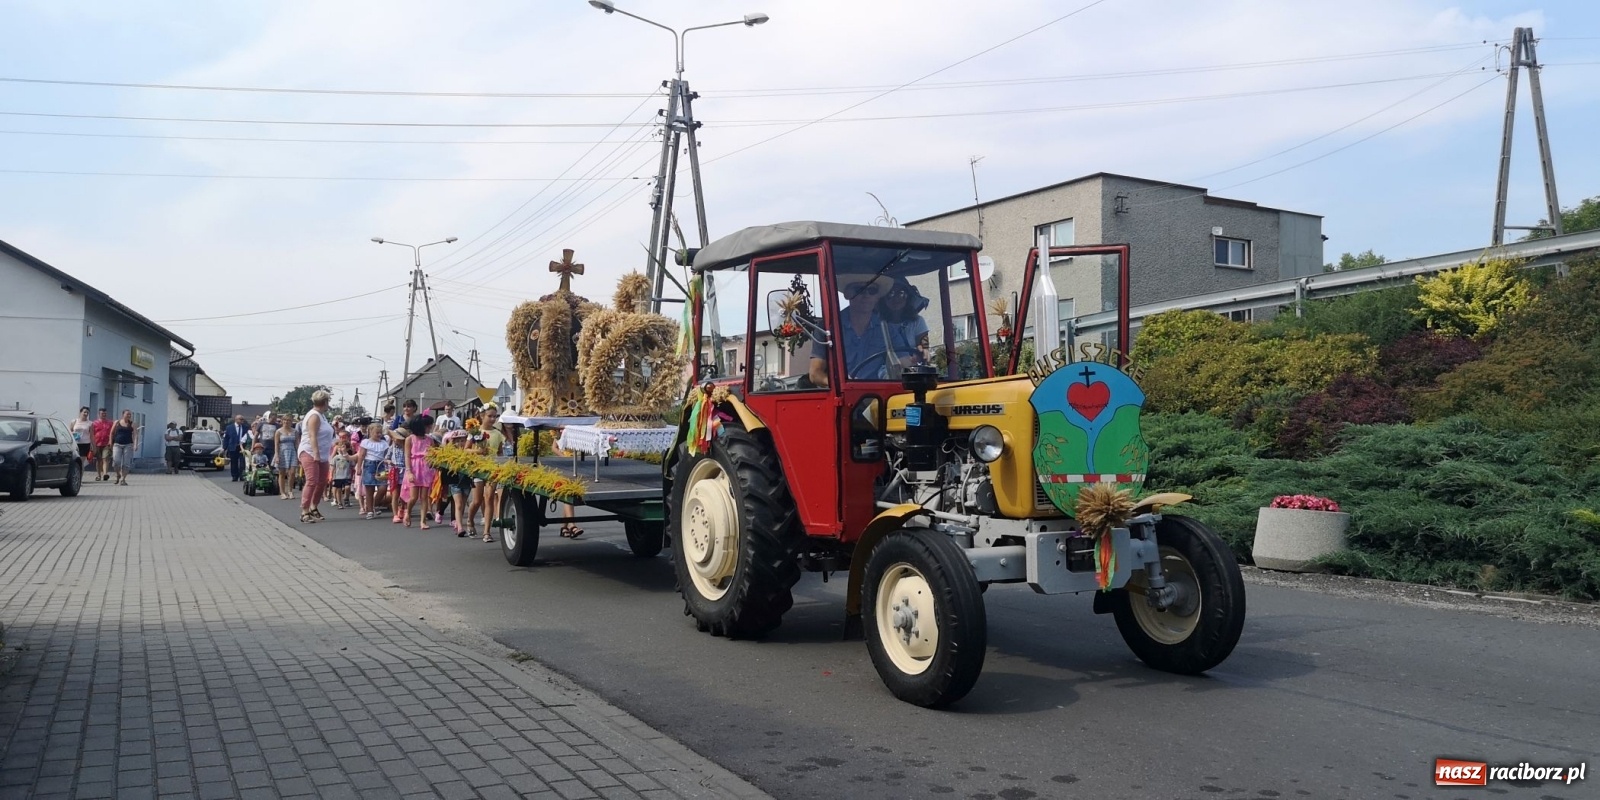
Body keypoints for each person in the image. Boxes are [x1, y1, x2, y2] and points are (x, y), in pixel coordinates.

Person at [808, 273, 897, 388]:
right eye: (860, 290)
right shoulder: (827, 328)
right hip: (842, 398)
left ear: (877, 297)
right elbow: (815, 374)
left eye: (872, 290)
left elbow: (902, 362)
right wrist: (842, 384)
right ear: (847, 294)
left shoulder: (889, 330)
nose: (866, 295)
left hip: (879, 398)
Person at [298, 391, 335, 524]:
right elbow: (312, 436)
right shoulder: (314, 416)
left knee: (322, 481)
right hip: (309, 451)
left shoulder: (322, 416)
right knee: (312, 480)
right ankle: (304, 511)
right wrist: (316, 454)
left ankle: (314, 506)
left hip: (323, 454)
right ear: (324, 403)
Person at [880, 277, 931, 371]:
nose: (896, 298)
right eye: (890, 294)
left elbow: (923, 345)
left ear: (908, 297)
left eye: (901, 293)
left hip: (911, 372)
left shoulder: (918, 321)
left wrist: (921, 352)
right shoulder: (876, 325)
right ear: (883, 299)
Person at [399, 415, 437, 529]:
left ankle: (423, 521)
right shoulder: (410, 439)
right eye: (428, 425)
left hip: (426, 468)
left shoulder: (430, 439)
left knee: (425, 497)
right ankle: (408, 513)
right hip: (414, 468)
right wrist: (409, 472)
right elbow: (407, 456)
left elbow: (433, 454)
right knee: (413, 497)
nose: (430, 427)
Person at [357, 422, 389, 520]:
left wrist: (388, 462)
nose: (379, 435)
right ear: (370, 432)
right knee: (369, 489)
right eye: (377, 433)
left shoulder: (384, 443)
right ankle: (370, 510)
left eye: (380, 433)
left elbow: (386, 455)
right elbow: (361, 455)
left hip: (380, 466)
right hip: (369, 465)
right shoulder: (366, 442)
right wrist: (359, 467)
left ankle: (375, 505)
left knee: (383, 487)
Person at [111, 409, 138, 486]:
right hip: (117, 444)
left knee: (126, 463)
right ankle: (118, 474)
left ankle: (123, 479)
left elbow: (135, 435)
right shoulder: (117, 422)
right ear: (123, 415)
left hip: (128, 445)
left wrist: (135, 444)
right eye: (127, 414)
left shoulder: (132, 424)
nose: (129, 416)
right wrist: (110, 443)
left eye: (130, 414)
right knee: (116, 462)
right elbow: (112, 433)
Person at [274, 415, 298, 500]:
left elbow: (296, 443)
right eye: (284, 420)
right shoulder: (278, 431)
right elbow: (276, 444)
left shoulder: (295, 431)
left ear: (291, 421)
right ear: (282, 421)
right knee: (282, 473)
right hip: (282, 452)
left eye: (288, 420)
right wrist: (276, 455)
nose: (286, 422)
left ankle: (290, 491)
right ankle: (282, 492)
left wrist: (298, 454)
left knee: (292, 472)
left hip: (292, 451)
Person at [222, 415, 250, 482]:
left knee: (242, 462)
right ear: (236, 419)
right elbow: (226, 438)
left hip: (242, 447)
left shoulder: (245, 427)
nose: (242, 421)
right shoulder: (229, 427)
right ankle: (234, 476)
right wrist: (224, 448)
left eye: (243, 419)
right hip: (233, 447)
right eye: (241, 419)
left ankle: (242, 476)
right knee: (234, 462)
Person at [91, 408, 114, 482]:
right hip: (97, 443)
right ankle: (98, 475)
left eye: (105, 414)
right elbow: (92, 434)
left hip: (107, 444)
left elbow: (113, 433)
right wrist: (92, 444)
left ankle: (105, 474)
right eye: (102, 414)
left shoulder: (110, 423)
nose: (104, 415)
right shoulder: (94, 423)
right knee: (99, 460)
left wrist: (112, 442)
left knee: (105, 458)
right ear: (99, 414)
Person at [330, 441, 354, 510]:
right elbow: (332, 467)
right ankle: (339, 503)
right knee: (339, 489)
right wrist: (331, 475)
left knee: (347, 487)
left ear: (347, 449)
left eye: (343, 447)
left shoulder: (348, 457)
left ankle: (346, 498)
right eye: (340, 447)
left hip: (347, 476)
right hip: (337, 476)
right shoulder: (336, 458)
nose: (341, 449)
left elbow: (353, 465)